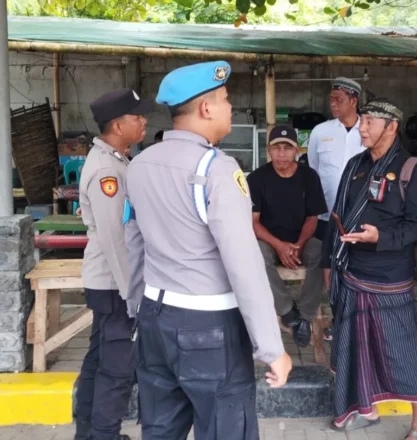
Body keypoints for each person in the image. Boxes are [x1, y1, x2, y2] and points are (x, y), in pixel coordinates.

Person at [123, 61, 293, 440]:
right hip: (208, 329)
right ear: (205, 109)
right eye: (226, 99)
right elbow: (244, 265)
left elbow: (133, 244)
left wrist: (138, 309)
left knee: (160, 429)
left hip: (154, 318)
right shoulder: (216, 169)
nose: (230, 107)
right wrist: (271, 347)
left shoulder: (139, 165)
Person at [321, 98, 417, 440]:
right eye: (362, 121)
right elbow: (335, 216)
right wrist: (328, 263)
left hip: (389, 279)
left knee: (401, 350)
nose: (363, 128)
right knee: (356, 347)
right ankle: (363, 409)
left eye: (370, 122)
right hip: (352, 272)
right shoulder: (356, 165)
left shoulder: (412, 169)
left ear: (392, 127)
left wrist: (380, 236)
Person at [75, 88, 151, 440]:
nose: (144, 121)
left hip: (108, 282)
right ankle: (102, 434)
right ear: (118, 126)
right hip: (114, 283)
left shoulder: (116, 159)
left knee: (99, 359)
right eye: (137, 117)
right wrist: (131, 294)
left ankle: (90, 432)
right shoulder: (108, 169)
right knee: (118, 368)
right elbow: (115, 239)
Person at [247, 125, 327, 347]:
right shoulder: (257, 178)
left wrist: (299, 244)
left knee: (321, 252)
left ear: (296, 151)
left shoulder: (309, 177)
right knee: (255, 254)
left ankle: (306, 315)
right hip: (269, 240)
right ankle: (287, 310)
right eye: (276, 148)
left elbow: (313, 217)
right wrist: (279, 245)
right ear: (268, 150)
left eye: (287, 148)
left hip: (301, 238)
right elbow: (253, 222)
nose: (281, 153)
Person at [307, 77, 365, 241]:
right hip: (325, 214)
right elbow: (314, 169)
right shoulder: (320, 131)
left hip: (359, 214)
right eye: (331, 99)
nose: (333, 104)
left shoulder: (367, 131)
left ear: (353, 101)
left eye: (338, 99)